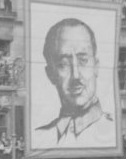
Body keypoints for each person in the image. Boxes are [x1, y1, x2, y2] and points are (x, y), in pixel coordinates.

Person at [35, 18, 115, 147]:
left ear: (96, 67)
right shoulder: (39, 137)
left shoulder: (113, 130)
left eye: (83, 61)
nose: (76, 76)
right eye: (63, 64)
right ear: (50, 74)